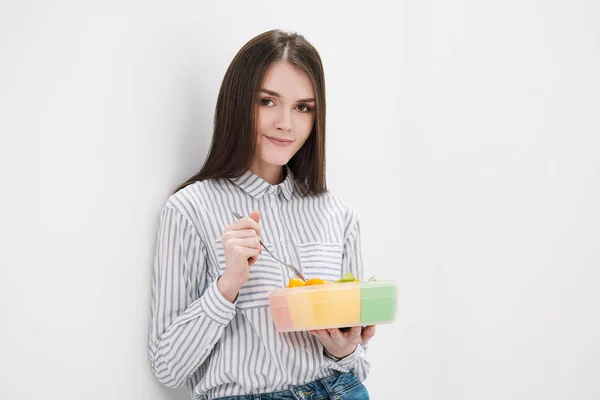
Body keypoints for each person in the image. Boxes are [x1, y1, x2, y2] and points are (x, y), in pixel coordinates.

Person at [148, 29, 375, 400]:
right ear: (238, 103)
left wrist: (345, 348)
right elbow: (167, 367)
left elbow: (359, 364)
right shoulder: (189, 210)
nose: (286, 122)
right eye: (268, 102)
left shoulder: (338, 214)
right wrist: (227, 286)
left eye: (303, 107)